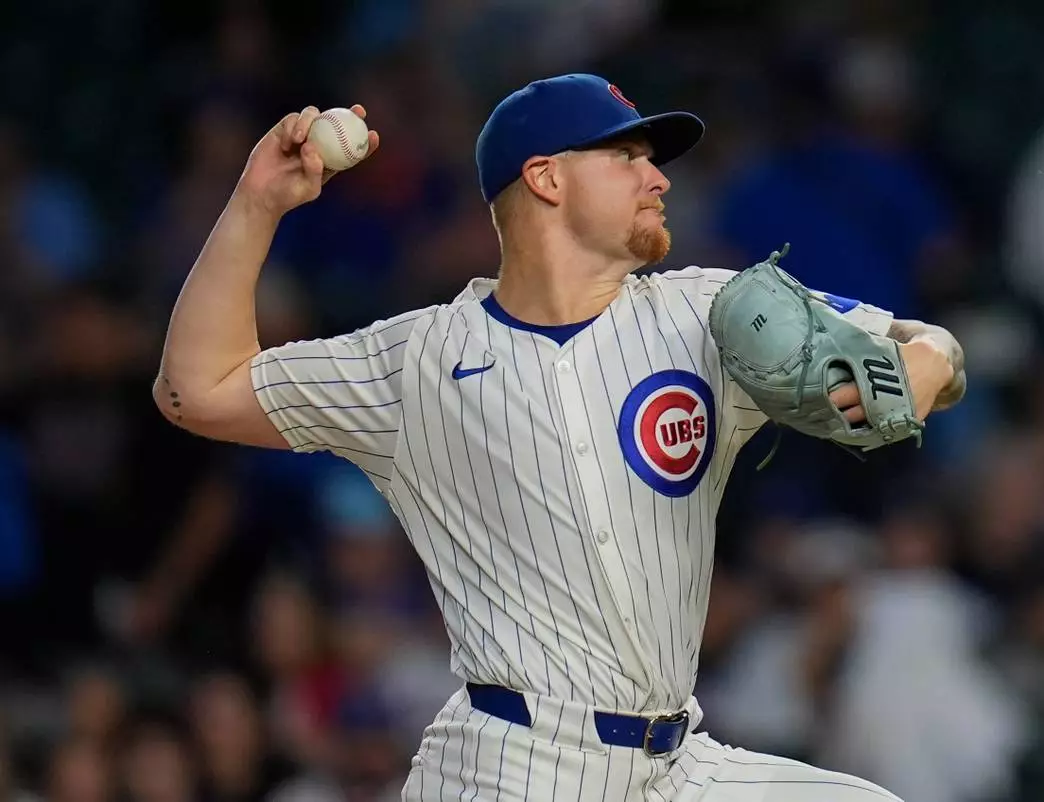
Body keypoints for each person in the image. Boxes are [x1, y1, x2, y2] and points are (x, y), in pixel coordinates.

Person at [154, 73, 966, 801]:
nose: (659, 178)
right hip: (513, 767)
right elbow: (197, 390)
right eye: (627, 158)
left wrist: (924, 366)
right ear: (546, 178)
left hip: (676, 764)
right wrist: (256, 204)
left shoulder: (708, 313)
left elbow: (927, 343)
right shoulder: (417, 362)